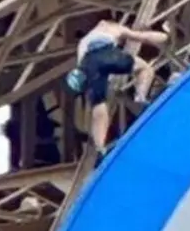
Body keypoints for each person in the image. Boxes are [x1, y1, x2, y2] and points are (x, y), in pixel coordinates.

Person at [66, 20, 168, 157]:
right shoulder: (115, 29)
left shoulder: (84, 41)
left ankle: (100, 146)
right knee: (145, 69)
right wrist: (166, 37)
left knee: (99, 107)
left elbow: (82, 66)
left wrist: (94, 83)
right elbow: (144, 37)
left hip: (88, 64)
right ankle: (140, 98)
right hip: (107, 53)